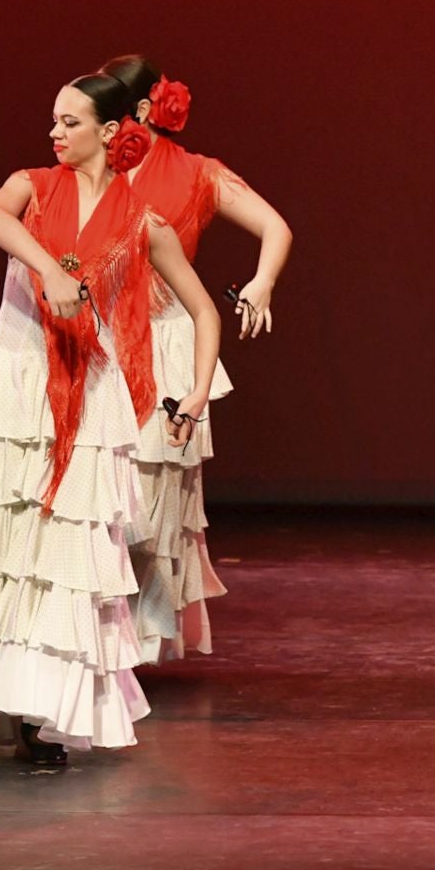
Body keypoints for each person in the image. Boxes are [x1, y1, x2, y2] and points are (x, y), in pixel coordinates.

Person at [0, 73, 220, 765]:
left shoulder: (143, 221)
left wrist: (194, 394)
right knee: (2, 544)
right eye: (53, 120)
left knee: (62, 560)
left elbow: (203, 310)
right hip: (17, 389)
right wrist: (47, 267)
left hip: (89, 398)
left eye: (70, 122)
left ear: (109, 132)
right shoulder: (30, 186)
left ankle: (43, 710)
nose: (55, 133)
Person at [100, 54, 294, 663]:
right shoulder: (93, 168)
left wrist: (261, 282)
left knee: (153, 499)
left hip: (165, 340)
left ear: (135, 111)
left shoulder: (199, 173)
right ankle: (95, 637)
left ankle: (128, 642)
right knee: (97, 491)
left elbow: (275, 227)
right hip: (103, 337)